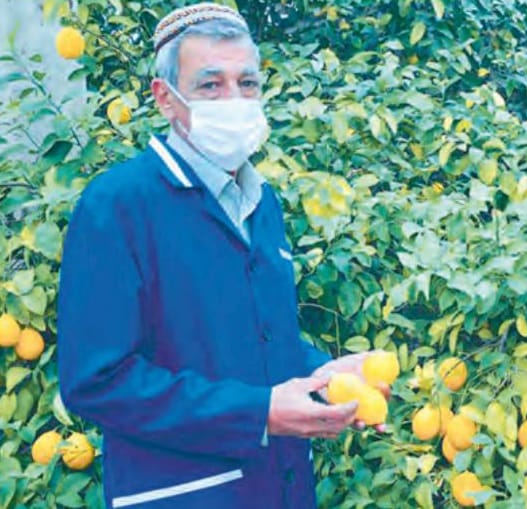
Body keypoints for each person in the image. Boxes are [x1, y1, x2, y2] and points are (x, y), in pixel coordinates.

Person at [57, 3, 380, 508]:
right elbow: (97, 382)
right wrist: (258, 413)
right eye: (211, 85)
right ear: (165, 98)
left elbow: (257, 341)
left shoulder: (262, 202)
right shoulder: (118, 205)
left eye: (247, 83)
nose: (234, 99)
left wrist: (324, 375)